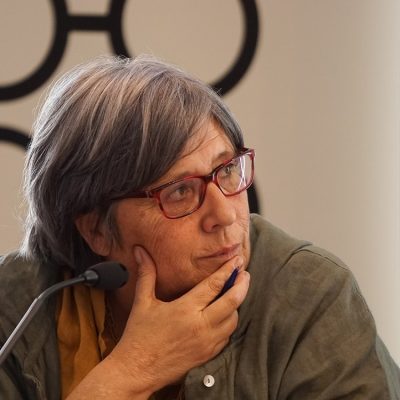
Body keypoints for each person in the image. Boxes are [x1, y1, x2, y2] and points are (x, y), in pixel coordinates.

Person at [0, 55, 399, 400]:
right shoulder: (15, 309)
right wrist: (135, 369)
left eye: (226, 170)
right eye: (179, 192)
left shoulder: (309, 295)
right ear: (96, 230)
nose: (225, 215)